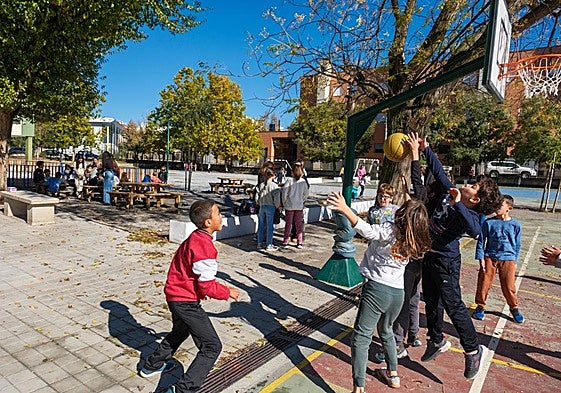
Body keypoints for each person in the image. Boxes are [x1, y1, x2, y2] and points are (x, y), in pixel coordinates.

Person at [411, 133, 502, 379]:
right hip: (430, 255)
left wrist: (459, 203)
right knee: (430, 301)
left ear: (476, 199)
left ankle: (473, 349)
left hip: (446, 262)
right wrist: (425, 149)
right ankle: (436, 340)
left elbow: (474, 232)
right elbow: (439, 172)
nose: (468, 183)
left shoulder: (471, 215)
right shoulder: (449, 191)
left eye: (473, 186)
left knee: (453, 305)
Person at [327, 192, 432, 391]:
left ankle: (359, 387)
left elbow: (368, 231)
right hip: (397, 293)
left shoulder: (391, 229)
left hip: (377, 289)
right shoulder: (414, 237)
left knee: (361, 337)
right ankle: (393, 374)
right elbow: (413, 212)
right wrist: (412, 203)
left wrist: (345, 209)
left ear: (402, 214)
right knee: (386, 331)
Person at [139, 200, 239, 393]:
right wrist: (228, 292)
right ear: (207, 222)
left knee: (180, 331)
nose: (222, 217)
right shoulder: (204, 246)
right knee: (211, 346)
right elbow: (208, 285)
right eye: (218, 213)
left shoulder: (196, 238)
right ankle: (182, 390)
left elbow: (192, 274)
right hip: (184, 301)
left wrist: (201, 291)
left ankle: (151, 365)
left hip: (175, 295)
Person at [473, 194, 524, 323]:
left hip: (508, 258)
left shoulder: (515, 225)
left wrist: (515, 260)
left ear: (509, 208)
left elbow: (517, 245)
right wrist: (481, 257)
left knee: (508, 285)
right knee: (484, 282)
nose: (497, 208)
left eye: (500, 205)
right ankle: (480, 306)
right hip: (490, 257)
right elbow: (481, 241)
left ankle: (514, 307)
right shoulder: (488, 222)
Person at [281, 163, 309, 249]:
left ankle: (286, 240)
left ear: (292, 172)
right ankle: (299, 241)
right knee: (298, 224)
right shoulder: (303, 182)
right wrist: (301, 200)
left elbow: (284, 193)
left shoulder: (289, 180)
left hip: (289, 205)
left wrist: (284, 202)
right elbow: (306, 194)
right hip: (299, 205)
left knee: (288, 223)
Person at [255, 168, 281, 251]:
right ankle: (269, 244)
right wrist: (278, 206)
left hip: (262, 206)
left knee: (261, 225)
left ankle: (259, 243)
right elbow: (277, 199)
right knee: (270, 226)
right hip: (271, 207)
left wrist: (259, 203)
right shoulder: (274, 186)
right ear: (273, 175)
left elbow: (256, 197)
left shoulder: (261, 185)